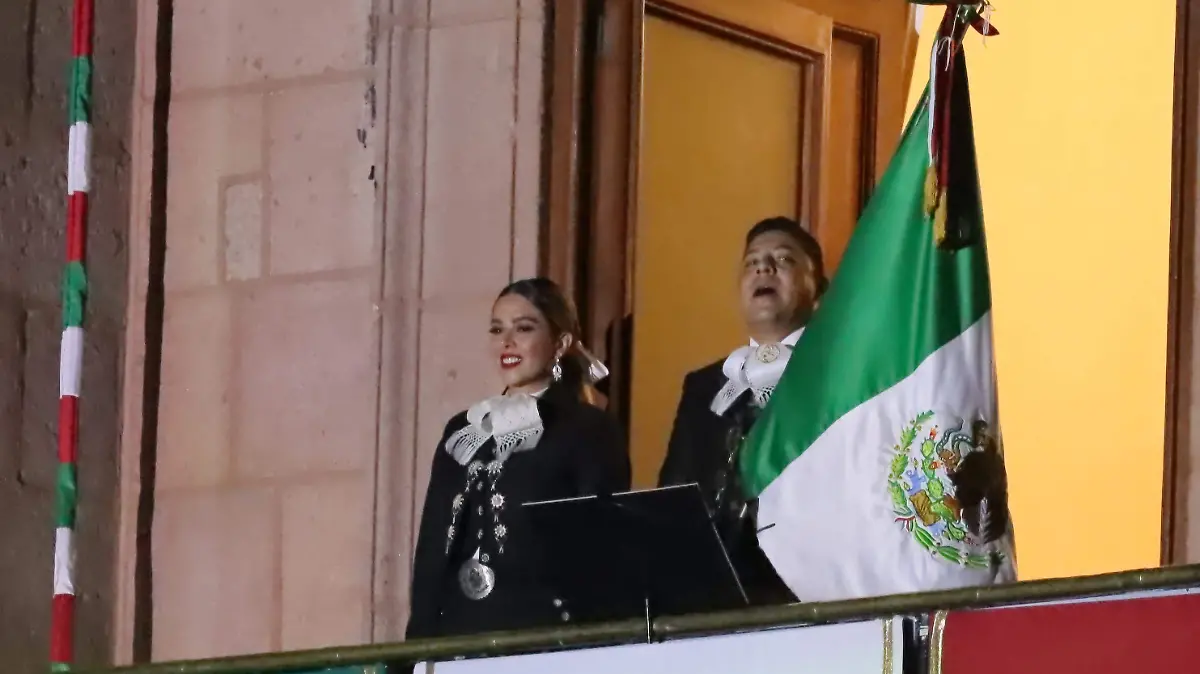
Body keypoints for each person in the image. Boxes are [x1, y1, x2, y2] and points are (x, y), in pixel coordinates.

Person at [406, 278, 631, 639]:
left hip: (540, 638)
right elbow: (432, 548)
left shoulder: (587, 429)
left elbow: (602, 552)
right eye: (497, 329)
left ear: (560, 344)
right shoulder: (463, 427)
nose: (506, 341)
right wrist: (415, 649)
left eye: (523, 328)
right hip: (457, 637)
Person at [658, 216, 827, 605]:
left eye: (783, 260)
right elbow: (675, 491)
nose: (763, 268)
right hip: (712, 598)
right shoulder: (704, 385)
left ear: (818, 288)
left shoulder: (839, 376)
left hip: (804, 592)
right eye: (752, 262)